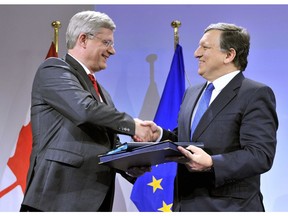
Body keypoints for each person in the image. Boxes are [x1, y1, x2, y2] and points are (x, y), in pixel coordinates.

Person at [20, 10, 153, 212]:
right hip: (58, 198)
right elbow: (85, 111)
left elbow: (108, 146)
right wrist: (133, 125)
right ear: (83, 39)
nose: (112, 51)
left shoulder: (102, 93)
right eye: (107, 43)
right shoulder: (53, 70)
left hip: (95, 200)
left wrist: (128, 164)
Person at [150, 22, 278, 211]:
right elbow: (187, 141)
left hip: (230, 207)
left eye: (205, 47)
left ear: (229, 55)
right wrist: (159, 135)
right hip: (185, 204)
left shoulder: (255, 93)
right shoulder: (192, 93)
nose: (196, 53)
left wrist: (212, 163)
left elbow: (260, 155)